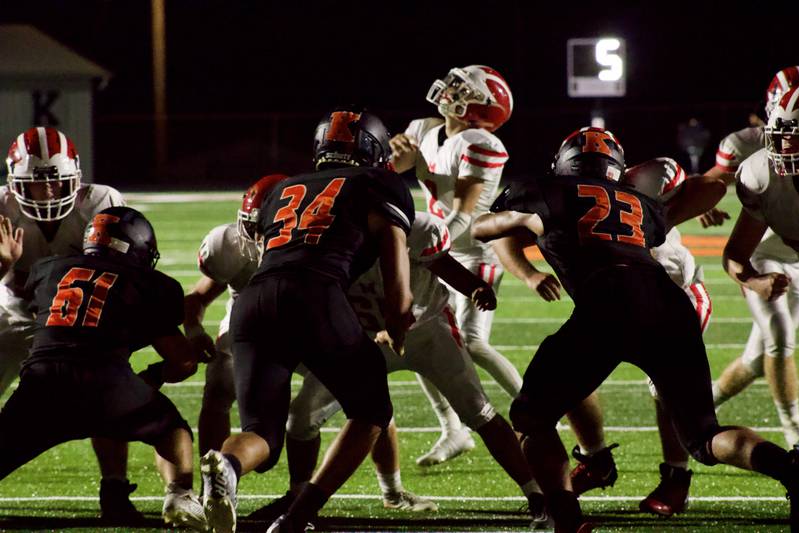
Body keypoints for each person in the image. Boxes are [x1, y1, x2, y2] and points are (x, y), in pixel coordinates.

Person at [473, 126, 799, 533]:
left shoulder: (546, 190)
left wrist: (521, 218)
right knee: (704, 436)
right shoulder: (638, 200)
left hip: (607, 304)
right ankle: (790, 467)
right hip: (668, 304)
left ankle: (568, 520)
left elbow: (481, 228)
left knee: (532, 418)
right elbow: (696, 196)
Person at [200, 106, 417, 533]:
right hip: (315, 292)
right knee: (372, 409)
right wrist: (397, 317)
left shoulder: (285, 187)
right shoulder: (379, 183)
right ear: (372, 149)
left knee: (261, 430)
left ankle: (226, 465)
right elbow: (395, 262)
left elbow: (272, 252)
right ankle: (298, 515)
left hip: (254, 299)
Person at [273, 211, 549, 527]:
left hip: (428, 331)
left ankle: (536, 493)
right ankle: (298, 501)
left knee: (478, 411)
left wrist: (474, 286)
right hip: (364, 338)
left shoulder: (417, 227)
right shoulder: (325, 233)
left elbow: (442, 264)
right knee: (301, 417)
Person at [390, 65, 559, 466]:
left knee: (473, 342)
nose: (450, 91)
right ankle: (453, 430)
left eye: (462, 89)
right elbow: (392, 171)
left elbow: (465, 214)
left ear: (480, 109)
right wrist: (397, 156)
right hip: (437, 248)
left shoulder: (479, 142)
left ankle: (537, 413)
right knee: (420, 340)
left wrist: (423, 248)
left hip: (472, 250)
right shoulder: (422, 129)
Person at [0, 207, 206, 530]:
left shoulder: (48, 269)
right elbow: (183, 361)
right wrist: (152, 377)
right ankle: (179, 496)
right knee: (172, 429)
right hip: (105, 382)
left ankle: (115, 495)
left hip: (42, 380)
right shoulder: (147, 283)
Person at [0, 127, 141, 523]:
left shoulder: (102, 202)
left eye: (55, 183)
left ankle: (115, 487)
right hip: (15, 309)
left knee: (107, 389)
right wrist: (4, 266)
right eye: (35, 185)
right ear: (13, 184)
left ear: (76, 178)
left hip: (77, 318)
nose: (46, 194)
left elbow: (126, 271)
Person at [559, 158, 713, 518]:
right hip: (615, 303)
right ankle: (596, 459)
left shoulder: (643, 180)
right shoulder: (561, 197)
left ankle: (677, 476)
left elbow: (712, 187)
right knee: (565, 376)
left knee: (665, 389)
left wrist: (664, 218)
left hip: (674, 296)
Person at [701, 68, 799, 452]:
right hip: (769, 258)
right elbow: (736, 254)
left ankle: (697, 408)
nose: (784, 148)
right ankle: (796, 438)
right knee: (780, 339)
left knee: (759, 360)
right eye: (782, 136)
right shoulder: (761, 170)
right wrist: (756, 281)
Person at [184, 174, 288, 456]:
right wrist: (194, 330)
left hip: (308, 319)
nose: (255, 237)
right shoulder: (228, 246)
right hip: (248, 318)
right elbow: (197, 297)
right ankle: (214, 482)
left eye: (263, 227)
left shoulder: (322, 245)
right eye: (251, 225)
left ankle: (299, 488)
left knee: (354, 391)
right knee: (218, 386)